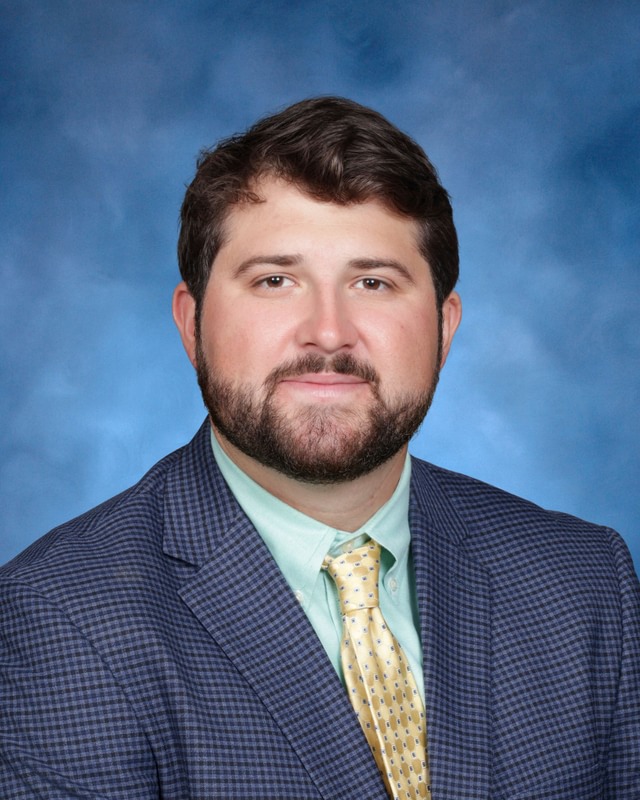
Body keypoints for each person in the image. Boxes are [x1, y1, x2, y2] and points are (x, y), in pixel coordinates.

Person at [1, 97, 638, 800]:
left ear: (444, 327)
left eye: (373, 283)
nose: (329, 333)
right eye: (275, 281)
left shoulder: (584, 581)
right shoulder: (58, 618)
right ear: (191, 324)